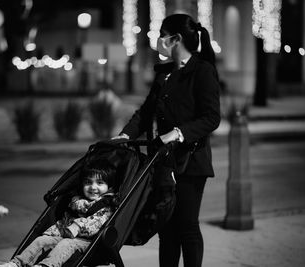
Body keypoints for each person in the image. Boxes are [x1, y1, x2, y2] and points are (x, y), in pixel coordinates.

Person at [113, 13, 221, 267]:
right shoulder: (165, 74)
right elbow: (145, 112)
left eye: (162, 34)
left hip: (191, 162)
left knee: (187, 226)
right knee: (167, 229)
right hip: (164, 162)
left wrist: (178, 132)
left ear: (176, 39)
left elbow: (211, 117)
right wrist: (125, 134)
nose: (159, 39)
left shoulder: (202, 71)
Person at [0, 161, 116, 267]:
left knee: (66, 244)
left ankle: (45, 266)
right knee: (42, 240)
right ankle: (15, 264)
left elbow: (96, 224)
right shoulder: (76, 201)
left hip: (88, 242)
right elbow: (64, 221)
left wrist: (77, 226)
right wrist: (53, 232)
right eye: (88, 182)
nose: (93, 187)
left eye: (100, 183)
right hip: (66, 235)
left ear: (109, 187)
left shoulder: (106, 205)